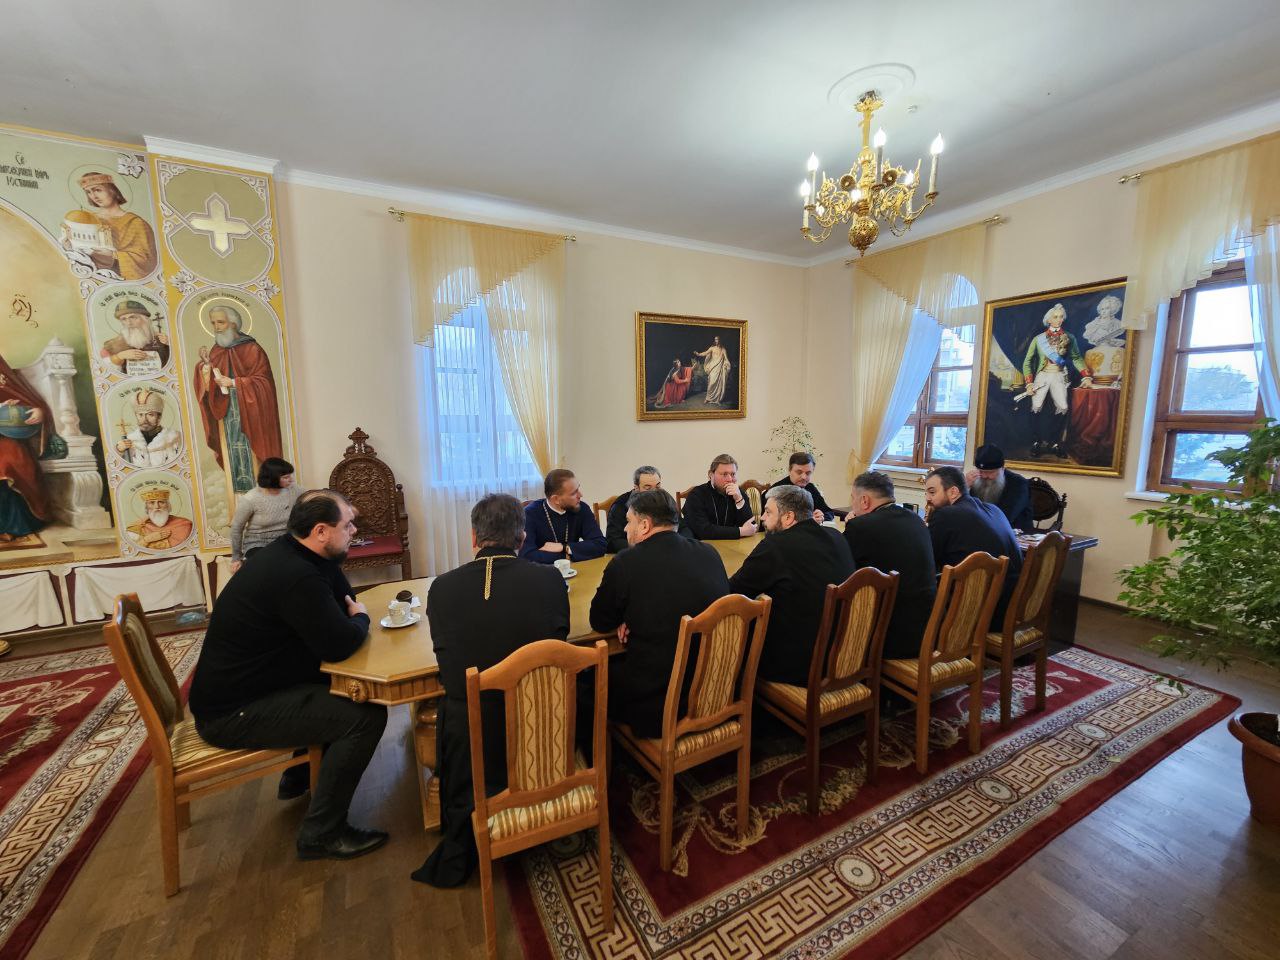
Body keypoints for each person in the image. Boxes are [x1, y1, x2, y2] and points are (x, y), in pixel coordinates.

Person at [189, 490, 389, 860]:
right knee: (365, 716)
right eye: (348, 525)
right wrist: (360, 618)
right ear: (321, 531)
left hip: (253, 688)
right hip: (233, 713)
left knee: (336, 686)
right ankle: (322, 834)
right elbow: (340, 642)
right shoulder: (294, 574)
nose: (354, 531)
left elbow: (342, 597)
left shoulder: (300, 553)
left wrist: (349, 610)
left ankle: (298, 778)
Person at [412, 493, 569, 888]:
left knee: (449, 701)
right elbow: (560, 640)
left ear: (473, 537)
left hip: (474, 734)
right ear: (521, 537)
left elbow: (448, 665)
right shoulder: (549, 579)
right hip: (540, 722)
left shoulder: (442, 588)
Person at [588, 488, 729, 738]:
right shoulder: (709, 552)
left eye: (629, 521)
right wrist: (631, 613)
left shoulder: (625, 563)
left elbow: (599, 621)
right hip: (715, 689)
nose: (625, 529)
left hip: (659, 707)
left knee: (588, 678)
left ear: (644, 525)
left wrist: (625, 615)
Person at [728, 484, 853, 684]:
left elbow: (734, 591)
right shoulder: (836, 537)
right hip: (844, 654)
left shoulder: (777, 546)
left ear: (788, 517)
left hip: (799, 667)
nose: (762, 518)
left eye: (768, 512)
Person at [843, 471, 938, 660]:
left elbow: (843, 571)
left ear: (864, 501)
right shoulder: (916, 520)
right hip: (927, 629)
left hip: (889, 637)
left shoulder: (861, 527)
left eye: (853, 498)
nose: (852, 503)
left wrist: (852, 526)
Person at [193, 304, 284, 494]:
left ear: (233, 324)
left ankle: (261, 496)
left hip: (252, 417)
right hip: (228, 419)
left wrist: (234, 383)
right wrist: (207, 365)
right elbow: (211, 386)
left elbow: (264, 383)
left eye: (221, 322)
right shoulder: (217, 350)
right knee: (233, 457)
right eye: (213, 323)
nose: (216, 327)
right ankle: (239, 499)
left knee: (251, 459)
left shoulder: (252, 349)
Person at [923, 466, 1023, 625]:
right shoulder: (994, 509)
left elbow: (928, 561)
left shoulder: (945, 515)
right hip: (1010, 608)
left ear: (953, 492)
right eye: (926, 493)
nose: (928, 498)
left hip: (977, 616)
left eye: (932, 492)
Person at [0, 352, 57, 543]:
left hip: (6, 439)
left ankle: (13, 525)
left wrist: (39, 411)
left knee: (9, 461)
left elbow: (29, 400)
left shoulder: (5, 377)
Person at [1020, 303, 1091, 457]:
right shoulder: (1038, 339)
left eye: (1061, 317)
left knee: (1063, 407)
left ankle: (1055, 443)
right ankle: (1036, 442)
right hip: (1042, 375)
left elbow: (1077, 358)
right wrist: (1029, 383)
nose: (1059, 319)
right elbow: (1027, 362)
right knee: (1036, 406)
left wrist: (1086, 375)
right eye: (1055, 317)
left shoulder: (1069, 337)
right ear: (1049, 320)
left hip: (1059, 375)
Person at [63, 171, 157, 280]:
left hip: (120, 278)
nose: (94, 196)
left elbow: (147, 261)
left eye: (98, 190)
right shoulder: (87, 219)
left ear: (112, 190)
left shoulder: (136, 223)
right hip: (92, 275)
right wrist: (69, 248)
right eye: (88, 192)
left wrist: (112, 254)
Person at [519, 467, 607, 564]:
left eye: (578, 489)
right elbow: (526, 556)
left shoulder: (581, 508)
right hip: (543, 571)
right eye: (574, 493)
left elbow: (600, 545)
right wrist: (568, 555)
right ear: (556, 499)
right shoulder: (529, 514)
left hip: (575, 570)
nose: (580, 495)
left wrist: (564, 547)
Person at [229, 457, 300, 572]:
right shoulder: (251, 498)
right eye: (286, 477)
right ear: (272, 478)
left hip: (285, 542)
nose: (291, 480)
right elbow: (236, 528)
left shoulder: (294, 490)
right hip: (257, 544)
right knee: (271, 564)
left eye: (290, 476)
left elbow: (314, 496)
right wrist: (236, 558)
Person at [681, 453, 756, 540]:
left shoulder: (739, 493)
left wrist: (739, 500)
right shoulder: (696, 495)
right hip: (703, 546)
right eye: (724, 474)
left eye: (733, 474)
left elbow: (751, 526)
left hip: (734, 545)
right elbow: (703, 530)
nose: (730, 479)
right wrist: (740, 531)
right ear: (711, 474)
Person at [966, 444, 1033, 532]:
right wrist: (965, 488)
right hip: (982, 531)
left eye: (991, 472)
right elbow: (966, 510)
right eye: (981, 471)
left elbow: (1006, 517)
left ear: (1002, 468)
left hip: (1013, 534)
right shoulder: (975, 480)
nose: (985, 476)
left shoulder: (1018, 483)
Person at [115, 388, 182, 468]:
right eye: (140, 415)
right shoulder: (129, 440)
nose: (144, 420)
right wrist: (119, 451)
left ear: (159, 417)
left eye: (150, 415)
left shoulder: (175, 438)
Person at [605, 465, 663, 553]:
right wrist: (645, 548)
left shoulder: (665, 500)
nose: (654, 492)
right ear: (636, 488)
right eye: (648, 488)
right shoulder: (620, 506)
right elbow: (613, 542)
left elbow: (680, 527)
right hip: (635, 553)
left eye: (658, 487)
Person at [100, 300, 170, 372]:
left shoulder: (162, 340)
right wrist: (120, 356)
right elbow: (103, 369)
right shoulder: (112, 345)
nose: (129, 323)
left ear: (145, 319)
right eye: (124, 319)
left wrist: (169, 344)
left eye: (133, 317)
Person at [768, 451, 835, 522]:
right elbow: (773, 520)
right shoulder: (777, 490)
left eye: (808, 473)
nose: (803, 477)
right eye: (799, 472)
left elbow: (828, 512)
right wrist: (808, 521)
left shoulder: (810, 487)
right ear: (789, 470)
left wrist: (821, 517)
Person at [125, 487, 194, 549]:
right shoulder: (137, 528)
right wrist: (147, 539)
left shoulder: (184, 524)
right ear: (146, 507)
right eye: (152, 503)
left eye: (161, 502)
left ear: (168, 505)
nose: (157, 507)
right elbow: (132, 550)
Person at [693, 336, 732, 405]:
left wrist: (727, 364)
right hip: (713, 367)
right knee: (711, 383)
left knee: (719, 384)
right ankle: (708, 398)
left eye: (718, 339)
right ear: (714, 340)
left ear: (720, 340)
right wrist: (698, 354)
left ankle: (717, 400)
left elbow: (726, 358)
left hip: (719, 368)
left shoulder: (723, 349)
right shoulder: (712, 348)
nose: (717, 341)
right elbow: (705, 353)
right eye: (715, 339)